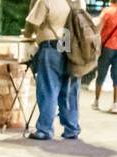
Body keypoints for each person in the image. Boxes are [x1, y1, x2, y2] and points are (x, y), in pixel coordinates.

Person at [22, 0, 80, 139]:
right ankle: (72, 128)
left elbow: (30, 26)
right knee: (70, 91)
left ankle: (45, 130)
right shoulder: (78, 1)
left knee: (48, 89)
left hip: (51, 47)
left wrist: (28, 34)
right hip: (72, 48)